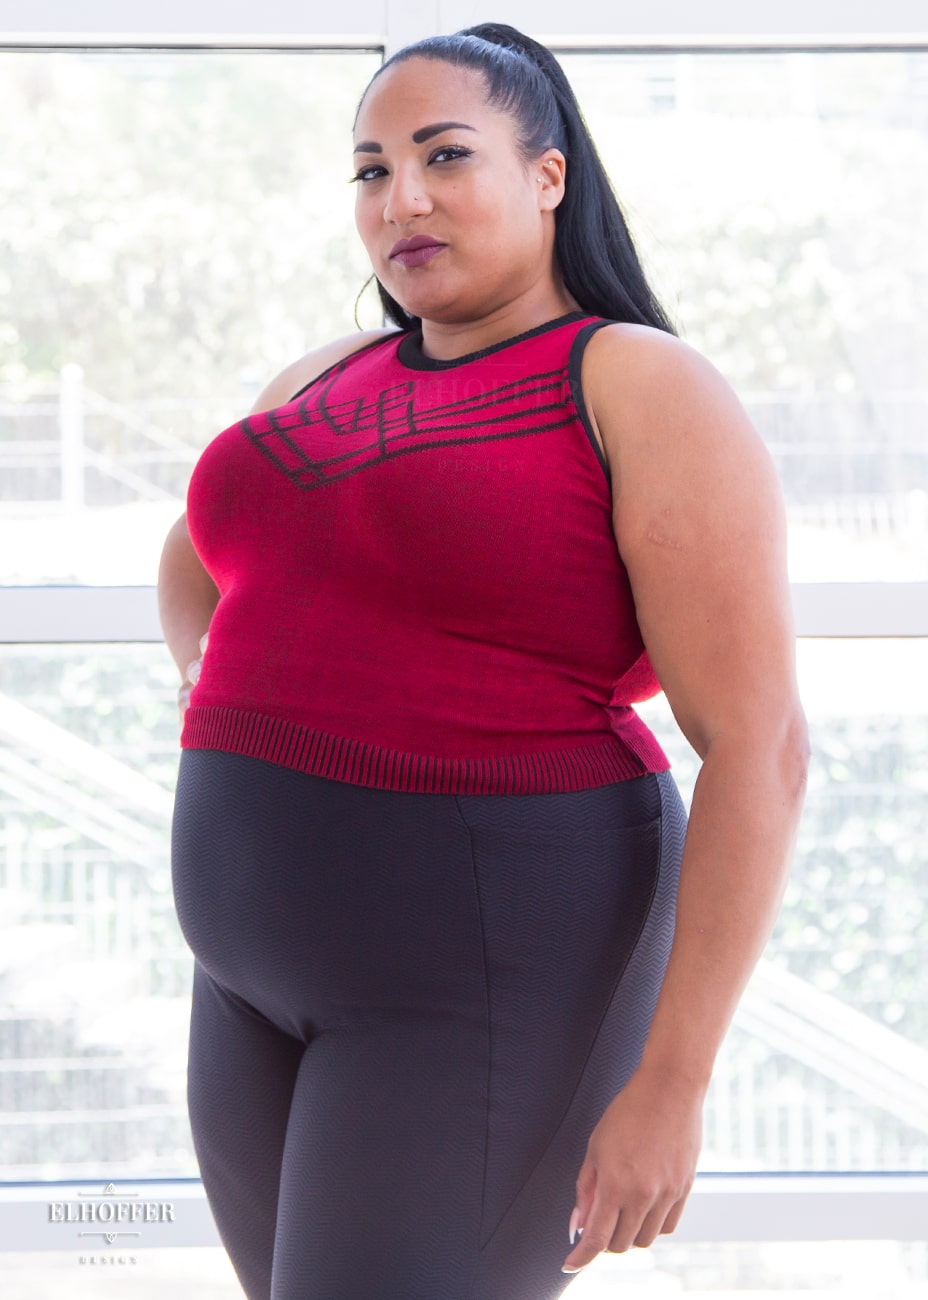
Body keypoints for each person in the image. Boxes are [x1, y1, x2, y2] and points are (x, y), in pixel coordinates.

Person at [158, 21, 809, 1300]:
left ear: (547, 174)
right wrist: (219, 694)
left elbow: (760, 745)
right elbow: (200, 549)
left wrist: (672, 1084)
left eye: (445, 156)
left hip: (483, 973)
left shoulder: (634, 380)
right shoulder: (329, 373)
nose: (400, 198)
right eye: (370, 170)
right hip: (244, 979)